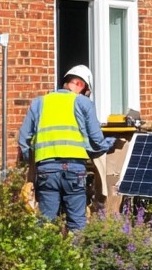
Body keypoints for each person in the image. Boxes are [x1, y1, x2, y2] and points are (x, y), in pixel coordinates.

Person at [18, 65, 115, 231]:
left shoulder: (40, 103)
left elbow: (23, 139)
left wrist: (30, 161)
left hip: (46, 170)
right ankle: (75, 256)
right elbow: (97, 140)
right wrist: (111, 143)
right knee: (77, 223)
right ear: (80, 84)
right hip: (74, 170)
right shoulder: (83, 102)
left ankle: (46, 256)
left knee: (45, 222)